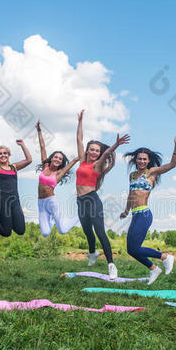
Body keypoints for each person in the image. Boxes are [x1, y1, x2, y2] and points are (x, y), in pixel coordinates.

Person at [120, 134, 176, 285]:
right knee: (131, 250)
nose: (141, 161)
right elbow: (131, 195)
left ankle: (165, 257)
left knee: (136, 247)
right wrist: (126, 210)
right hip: (135, 215)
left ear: (148, 161)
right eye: (139, 158)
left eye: (144, 159)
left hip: (144, 214)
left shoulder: (151, 172)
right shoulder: (132, 175)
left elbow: (172, 165)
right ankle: (154, 268)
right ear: (136, 160)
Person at [76, 109, 130, 280]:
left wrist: (116, 145)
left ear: (99, 154)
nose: (93, 152)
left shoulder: (97, 165)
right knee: (86, 231)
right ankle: (92, 253)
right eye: (91, 149)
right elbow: (79, 139)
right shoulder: (82, 161)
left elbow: (107, 153)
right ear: (87, 151)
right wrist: (80, 121)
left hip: (92, 200)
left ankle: (111, 265)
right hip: (80, 201)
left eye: (96, 151)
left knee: (100, 232)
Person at [34, 120, 80, 237]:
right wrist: (39, 130)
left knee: (63, 230)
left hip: (52, 202)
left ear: (61, 162)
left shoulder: (60, 173)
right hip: (41, 203)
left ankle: (81, 215)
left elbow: (75, 160)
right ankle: (52, 221)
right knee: (45, 233)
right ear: (52, 158)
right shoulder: (45, 166)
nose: (57, 159)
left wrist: (86, 152)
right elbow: (42, 147)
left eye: (60, 159)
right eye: (56, 157)